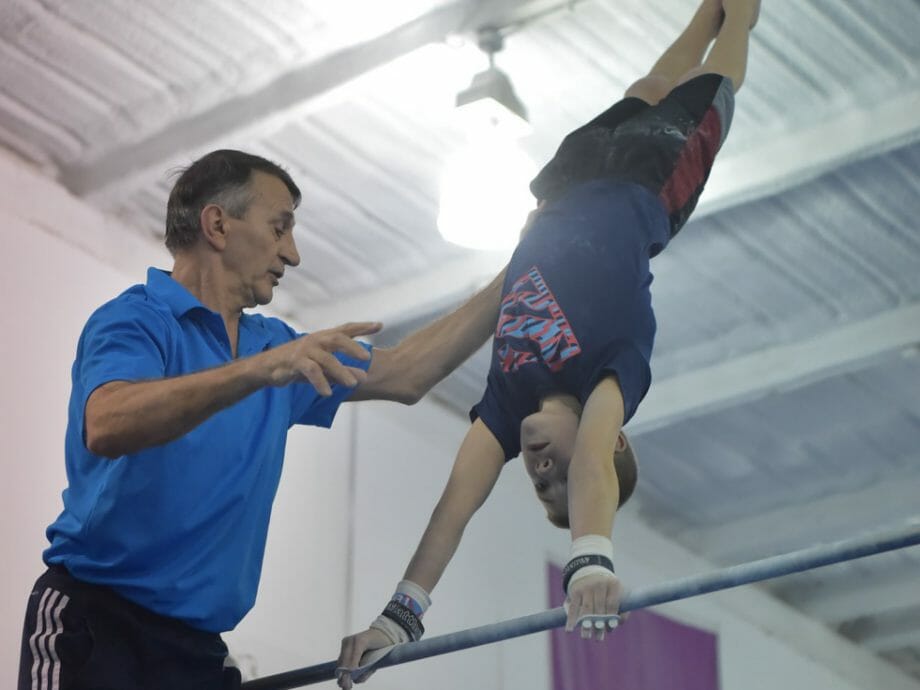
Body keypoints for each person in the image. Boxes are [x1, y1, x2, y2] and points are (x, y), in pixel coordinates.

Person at [337, 0, 759, 684]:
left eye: (541, 490)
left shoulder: (507, 403)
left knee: (642, 92)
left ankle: (707, 11)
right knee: (707, 87)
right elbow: (593, 459)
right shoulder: (615, 365)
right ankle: (736, 18)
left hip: (564, 186)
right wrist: (591, 553)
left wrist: (400, 615)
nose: (542, 473)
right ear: (611, 438)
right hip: (653, 180)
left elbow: (454, 507)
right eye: (560, 478)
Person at [17, 149, 516, 690]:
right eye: (280, 229)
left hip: (198, 651)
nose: (294, 254)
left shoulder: (275, 349)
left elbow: (407, 373)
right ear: (217, 224)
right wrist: (258, 371)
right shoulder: (137, 319)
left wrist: (522, 267)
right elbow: (108, 423)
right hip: (97, 625)